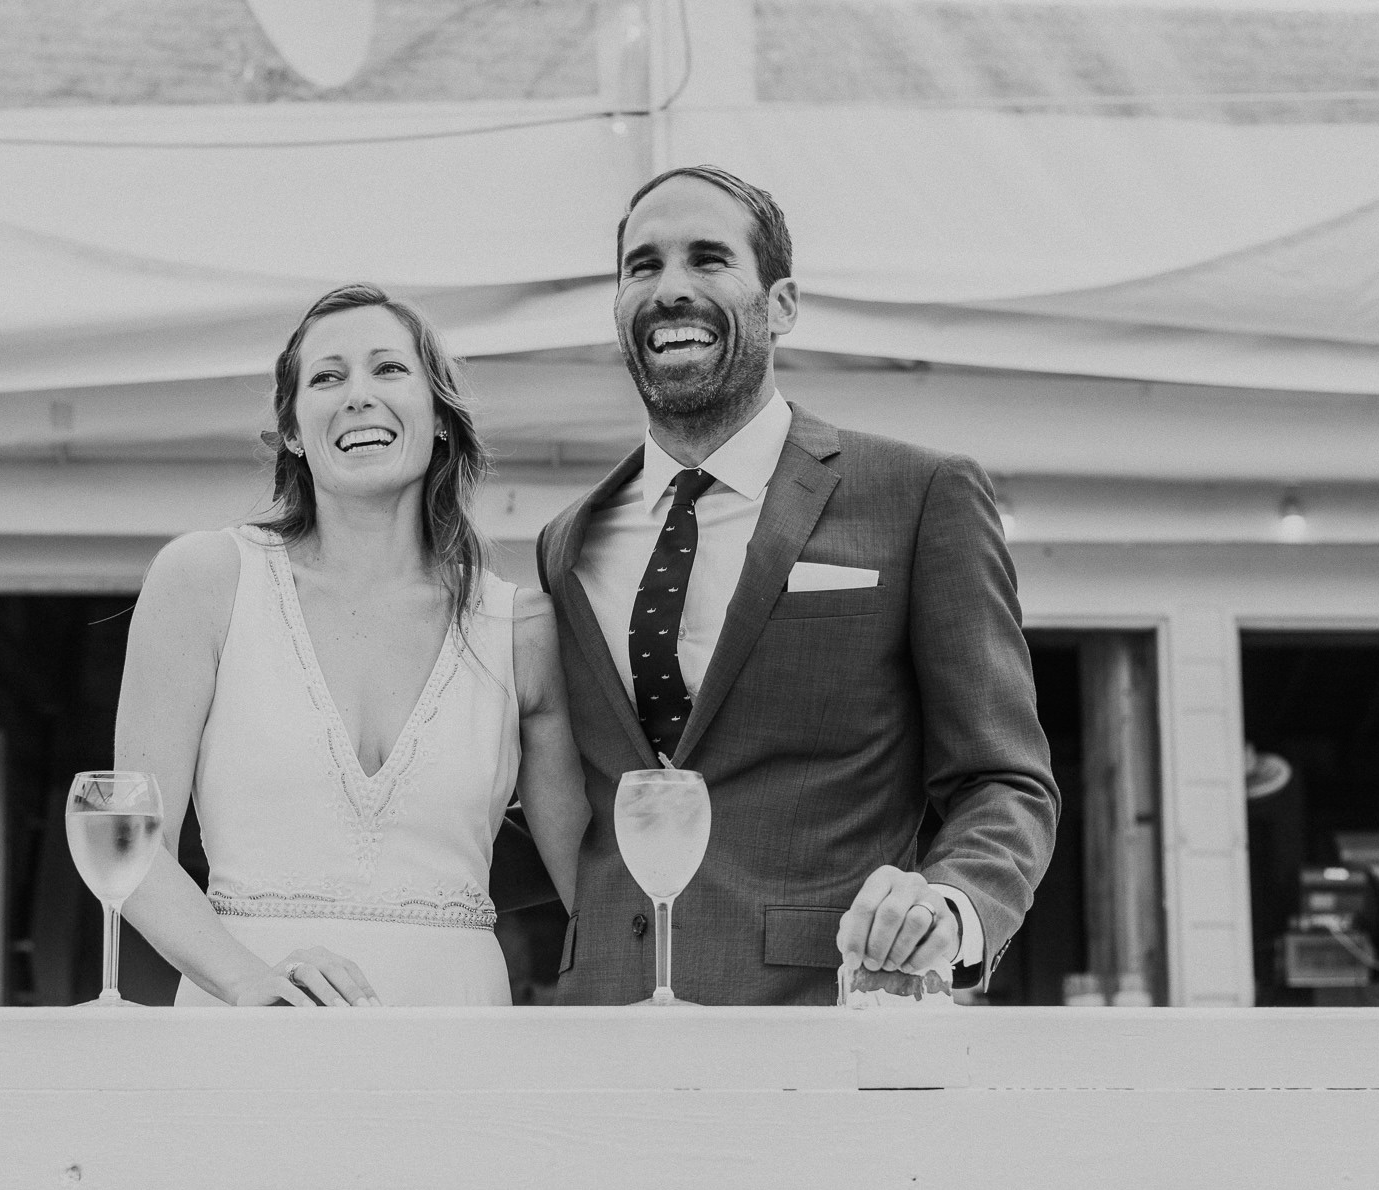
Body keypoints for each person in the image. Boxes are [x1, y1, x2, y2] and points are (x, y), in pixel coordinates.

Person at [538, 165, 1059, 1005]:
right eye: (644, 266)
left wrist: (952, 905)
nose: (671, 288)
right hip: (602, 1022)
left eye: (709, 260)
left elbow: (1002, 780)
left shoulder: (921, 497)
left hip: (826, 1016)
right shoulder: (565, 545)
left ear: (781, 303)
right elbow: (560, 805)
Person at [116, 283, 587, 1007]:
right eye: (328, 377)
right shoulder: (205, 580)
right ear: (295, 431)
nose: (358, 395)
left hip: (457, 1038)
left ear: (439, 420)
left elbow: (591, 884)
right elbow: (132, 843)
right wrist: (251, 983)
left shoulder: (519, 627)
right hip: (251, 1032)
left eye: (389, 370)